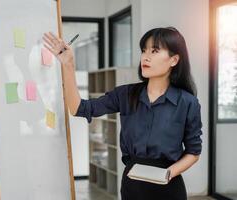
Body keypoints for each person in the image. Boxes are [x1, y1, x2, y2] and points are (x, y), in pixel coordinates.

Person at [43, 26, 202, 200]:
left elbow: (193, 152)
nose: (145, 57)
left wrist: (168, 173)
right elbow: (79, 108)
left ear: (174, 60)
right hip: (133, 187)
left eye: (154, 50)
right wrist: (68, 64)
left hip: (168, 188)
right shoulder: (125, 95)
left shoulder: (187, 103)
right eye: (144, 50)